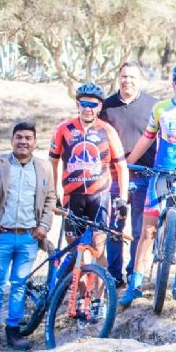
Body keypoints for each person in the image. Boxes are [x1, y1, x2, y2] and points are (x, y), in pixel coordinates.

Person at [119, 63, 176, 306]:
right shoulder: (161, 108)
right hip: (161, 174)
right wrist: (126, 164)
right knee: (148, 231)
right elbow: (147, 138)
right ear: (173, 85)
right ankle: (135, 284)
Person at [0, 122, 56, 351]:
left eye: (28, 138)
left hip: (29, 238)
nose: (23, 141)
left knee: (19, 285)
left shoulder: (44, 167)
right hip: (1, 235)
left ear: (35, 142)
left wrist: (44, 225)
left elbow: (50, 198)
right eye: (19, 137)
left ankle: (14, 332)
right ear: (12, 140)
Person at [49, 82, 129, 256]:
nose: (88, 108)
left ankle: (99, 282)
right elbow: (52, 163)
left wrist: (123, 199)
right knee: (73, 250)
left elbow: (122, 166)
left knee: (98, 250)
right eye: (84, 103)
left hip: (99, 196)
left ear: (100, 106)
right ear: (77, 104)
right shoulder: (63, 129)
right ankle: (77, 283)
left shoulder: (107, 130)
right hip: (72, 197)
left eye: (93, 104)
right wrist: (53, 193)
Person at [100, 61, 157, 289]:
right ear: (118, 78)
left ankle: (135, 272)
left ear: (140, 80)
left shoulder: (153, 106)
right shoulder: (106, 107)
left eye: (132, 77)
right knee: (114, 228)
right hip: (114, 178)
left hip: (144, 175)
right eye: (124, 76)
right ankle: (114, 274)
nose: (127, 81)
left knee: (139, 230)